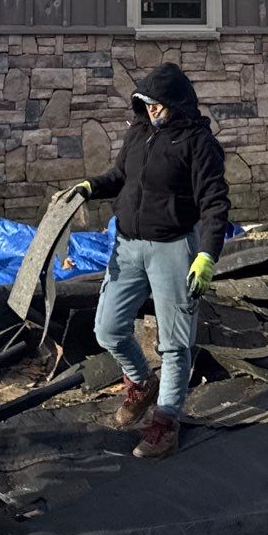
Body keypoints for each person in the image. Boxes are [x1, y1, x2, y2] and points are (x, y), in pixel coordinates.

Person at [56, 61, 229, 461]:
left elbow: (214, 201)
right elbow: (120, 176)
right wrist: (88, 186)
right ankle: (141, 381)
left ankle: (165, 423)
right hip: (128, 245)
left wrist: (206, 254)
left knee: (174, 343)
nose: (151, 110)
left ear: (175, 102)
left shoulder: (199, 144)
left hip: (173, 248)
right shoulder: (138, 133)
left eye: (158, 104)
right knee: (108, 328)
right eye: (146, 103)